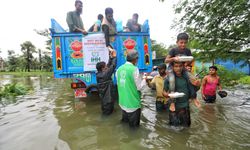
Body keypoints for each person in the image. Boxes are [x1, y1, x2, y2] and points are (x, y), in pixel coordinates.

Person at [163, 61, 200, 127]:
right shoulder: (168, 78)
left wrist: (197, 85)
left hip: (185, 106)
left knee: (186, 127)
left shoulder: (188, 77)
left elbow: (194, 89)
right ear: (172, 67)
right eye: (176, 66)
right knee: (174, 129)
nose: (178, 68)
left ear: (183, 66)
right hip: (173, 108)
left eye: (180, 66)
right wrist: (168, 95)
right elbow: (163, 92)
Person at [116, 50, 146, 128]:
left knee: (125, 124)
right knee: (134, 129)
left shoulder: (119, 69)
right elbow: (139, 87)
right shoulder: (134, 69)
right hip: (133, 104)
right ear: (135, 59)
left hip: (123, 102)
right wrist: (145, 79)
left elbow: (119, 83)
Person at [96, 47, 117, 115]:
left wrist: (110, 57)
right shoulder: (105, 75)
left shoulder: (99, 74)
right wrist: (114, 57)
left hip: (105, 100)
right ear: (102, 68)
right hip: (108, 101)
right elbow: (113, 66)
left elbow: (108, 66)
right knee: (107, 115)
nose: (106, 67)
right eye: (105, 66)